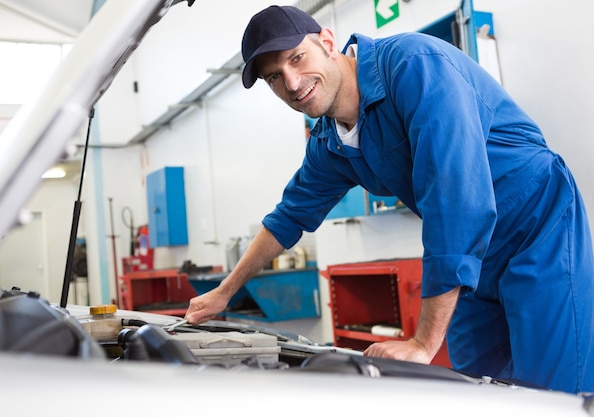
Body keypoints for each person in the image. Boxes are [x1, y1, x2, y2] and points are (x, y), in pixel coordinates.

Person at [185, 5, 594, 394]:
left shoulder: (415, 66)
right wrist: (226, 291)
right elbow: (289, 216)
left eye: (296, 58)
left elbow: (456, 200)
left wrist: (422, 342)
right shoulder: (330, 142)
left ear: (328, 40)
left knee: (552, 392)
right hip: (474, 258)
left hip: (538, 229)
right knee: (477, 389)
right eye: (274, 77)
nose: (291, 83)